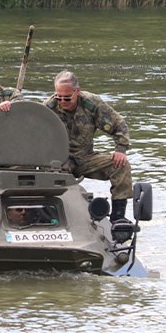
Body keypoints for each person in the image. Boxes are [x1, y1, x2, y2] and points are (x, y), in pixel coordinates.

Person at [45, 70, 132, 222]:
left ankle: (118, 218)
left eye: (67, 98)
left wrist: (120, 149)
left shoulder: (92, 104)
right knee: (45, 176)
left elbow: (119, 125)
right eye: (59, 97)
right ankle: (51, 215)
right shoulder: (48, 108)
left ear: (77, 91)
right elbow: (30, 130)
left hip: (85, 158)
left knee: (120, 166)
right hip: (59, 161)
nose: (62, 102)